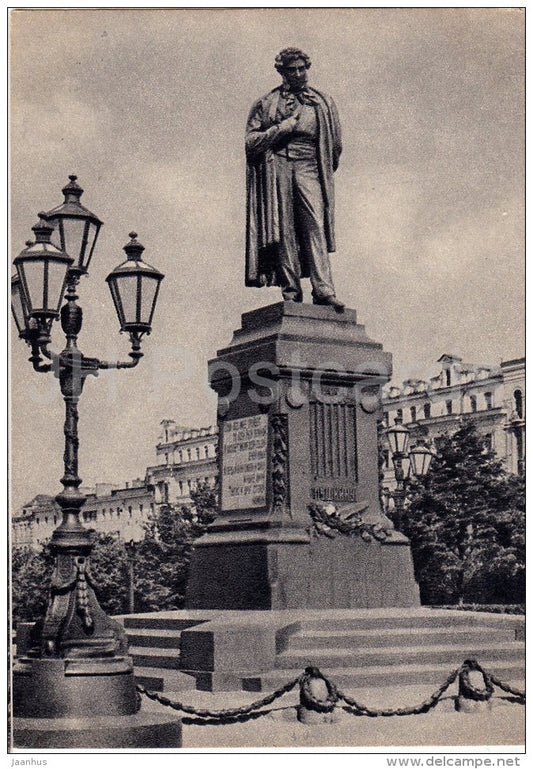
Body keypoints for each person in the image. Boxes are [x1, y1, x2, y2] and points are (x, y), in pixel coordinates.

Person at [245, 47, 344, 309]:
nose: (299, 74)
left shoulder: (323, 101)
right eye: (292, 70)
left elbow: (335, 147)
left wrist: (319, 166)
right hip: (277, 166)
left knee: (314, 225)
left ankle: (323, 288)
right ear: (282, 72)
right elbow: (251, 143)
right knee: (284, 229)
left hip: (310, 165)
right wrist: (280, 130)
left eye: (303, 68)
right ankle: (291, 290)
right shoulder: (266, 103)